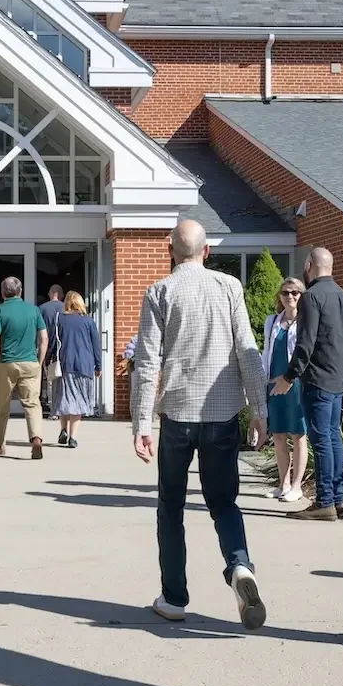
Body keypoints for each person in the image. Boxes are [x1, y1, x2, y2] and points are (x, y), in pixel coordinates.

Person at [129, 219, 268, 631]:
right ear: (206, 251)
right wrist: (258, 409)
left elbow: (147, 362)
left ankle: (173, 597)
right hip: (222, 414)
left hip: (177, 416)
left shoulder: (159, 292)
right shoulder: (228, 288)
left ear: (170, 250)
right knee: (223, 503)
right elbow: (248, 351)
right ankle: (239, 565)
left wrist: (141, 423)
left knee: (171, 506)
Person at [274, 246, 343, 522]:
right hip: (339, 378)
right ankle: (338, 497)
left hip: (318, 379)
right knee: (333, 437)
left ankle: (324, 502)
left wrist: (288, 376)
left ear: (309, 264)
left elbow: (305, 344)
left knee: (321, 439)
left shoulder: (312, 297)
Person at [259, 277, 309, 502]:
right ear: (279, 296)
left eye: (295, 292)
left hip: (295, 383)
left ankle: (297, 486)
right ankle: (284, 483)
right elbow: (266, 351)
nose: (290, 297)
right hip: (273, 382)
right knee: (278, 434)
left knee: (298, 434)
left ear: (301, 295)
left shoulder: (306, 321)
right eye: (286, 292)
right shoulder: (272, 321)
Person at [0, 276, 48, 459]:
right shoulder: (33, 310)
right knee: (33, 404)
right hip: (30, 362)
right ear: (20, 291)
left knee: (1, 406)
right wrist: (39, 360)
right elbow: (44, 338)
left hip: (6, 363)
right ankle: (36, 438)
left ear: (3, 292)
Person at [51, 290, 100, 447]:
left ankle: (63, 429)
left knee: (64, 398)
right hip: (83, 365)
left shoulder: (59, 319)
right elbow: (96, 346)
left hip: (64, 363)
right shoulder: (88, 321)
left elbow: (53, 341)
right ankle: (73, 436)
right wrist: (98, 365)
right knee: (78, 401)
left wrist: (47, 360)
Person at [39, 283, 64, 416]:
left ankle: (51, 406)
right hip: (64, 349)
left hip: (47, 347)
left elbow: (38, 330)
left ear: (50, 293)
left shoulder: (42, 308)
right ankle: (60, 407)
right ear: (61, 295)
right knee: (62, 379)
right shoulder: (67, 308)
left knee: (49, 378)